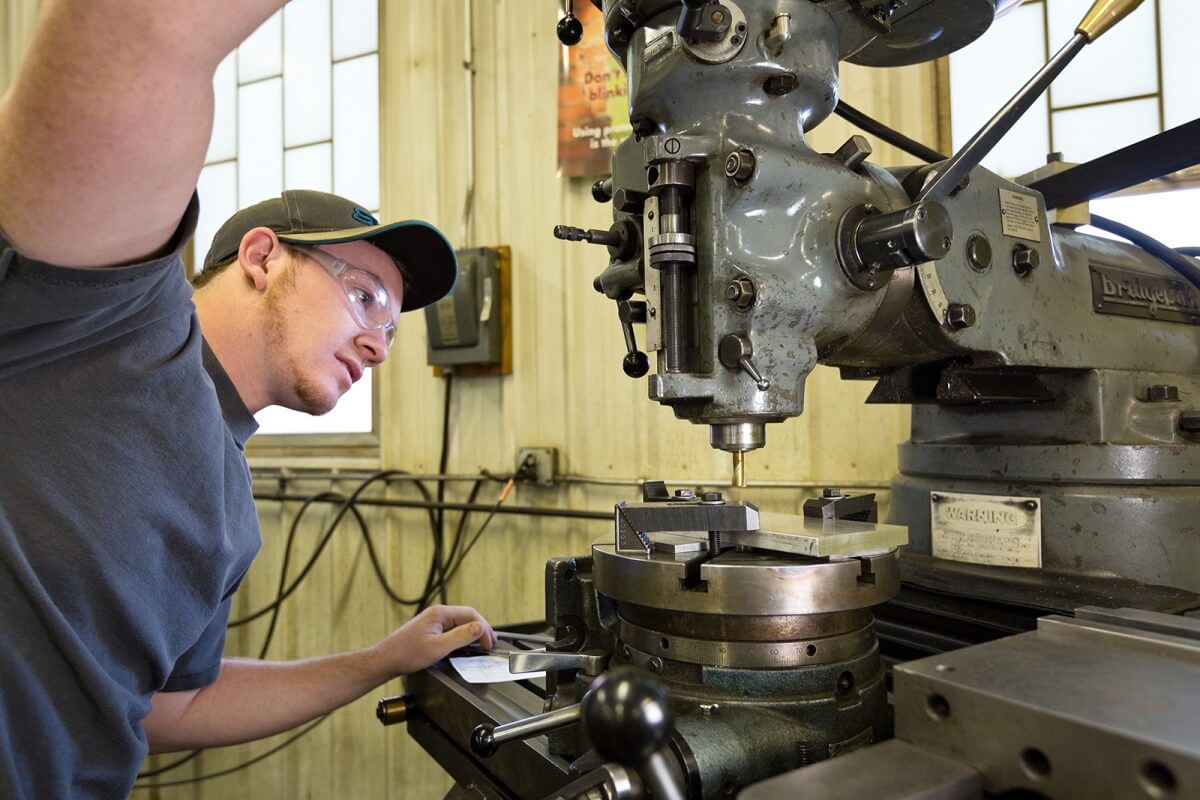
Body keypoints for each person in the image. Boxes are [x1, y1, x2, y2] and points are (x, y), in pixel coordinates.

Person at [0, 2, 494, 797]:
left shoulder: (229, 509)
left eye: (394, 331)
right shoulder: (109, 321)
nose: (378, 342)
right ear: (262, 258)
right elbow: (137, 30)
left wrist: (379, 660)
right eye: (365, 295)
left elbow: (168, 707)